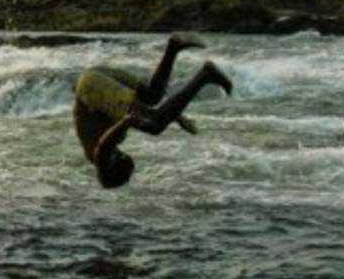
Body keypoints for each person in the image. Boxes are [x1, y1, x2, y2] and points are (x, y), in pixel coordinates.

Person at [74, 35, 233, 188]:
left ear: (114, 170)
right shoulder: (110, 144)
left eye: (127, 175)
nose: (131, 172)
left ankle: (205, 75)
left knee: (155, 125)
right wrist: (178, 117)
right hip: (93, 79)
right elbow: (137, 110)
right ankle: (174, 46)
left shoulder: (99, 159)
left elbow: (104, 144)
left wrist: (125, 123)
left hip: (92, 88)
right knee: (152, 95)